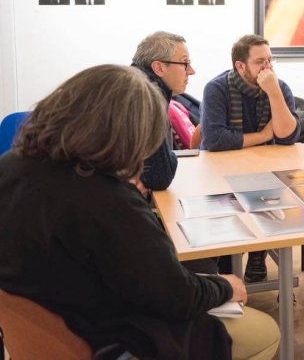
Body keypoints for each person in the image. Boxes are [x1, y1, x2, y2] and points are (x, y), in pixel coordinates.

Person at [0, 65, 280, 359]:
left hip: (47, 325)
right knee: (264, 333)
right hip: (104, 337)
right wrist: (224, 285)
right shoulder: (107, 201)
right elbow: (175, 295)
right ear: (132, 133)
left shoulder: (11, 165)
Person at [201, 34, 300, 282]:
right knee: (229, 218)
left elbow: (288, 137)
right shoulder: (217, 89)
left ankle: (258, 253)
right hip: (220, 170)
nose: (267, 68)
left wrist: (274, 93)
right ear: (240, 66)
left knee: (273, 190)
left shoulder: (279, 87)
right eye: (259, 62)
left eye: (269, 60)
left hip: (263, 171)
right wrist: (263, 135)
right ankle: (225, 270)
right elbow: (215, 140)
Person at [131, 31, 196, 194]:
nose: (191, 71)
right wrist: (169, 157)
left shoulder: (135, 84)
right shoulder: (146, 95)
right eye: (185, 64)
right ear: (158, 67)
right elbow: (160, 177)